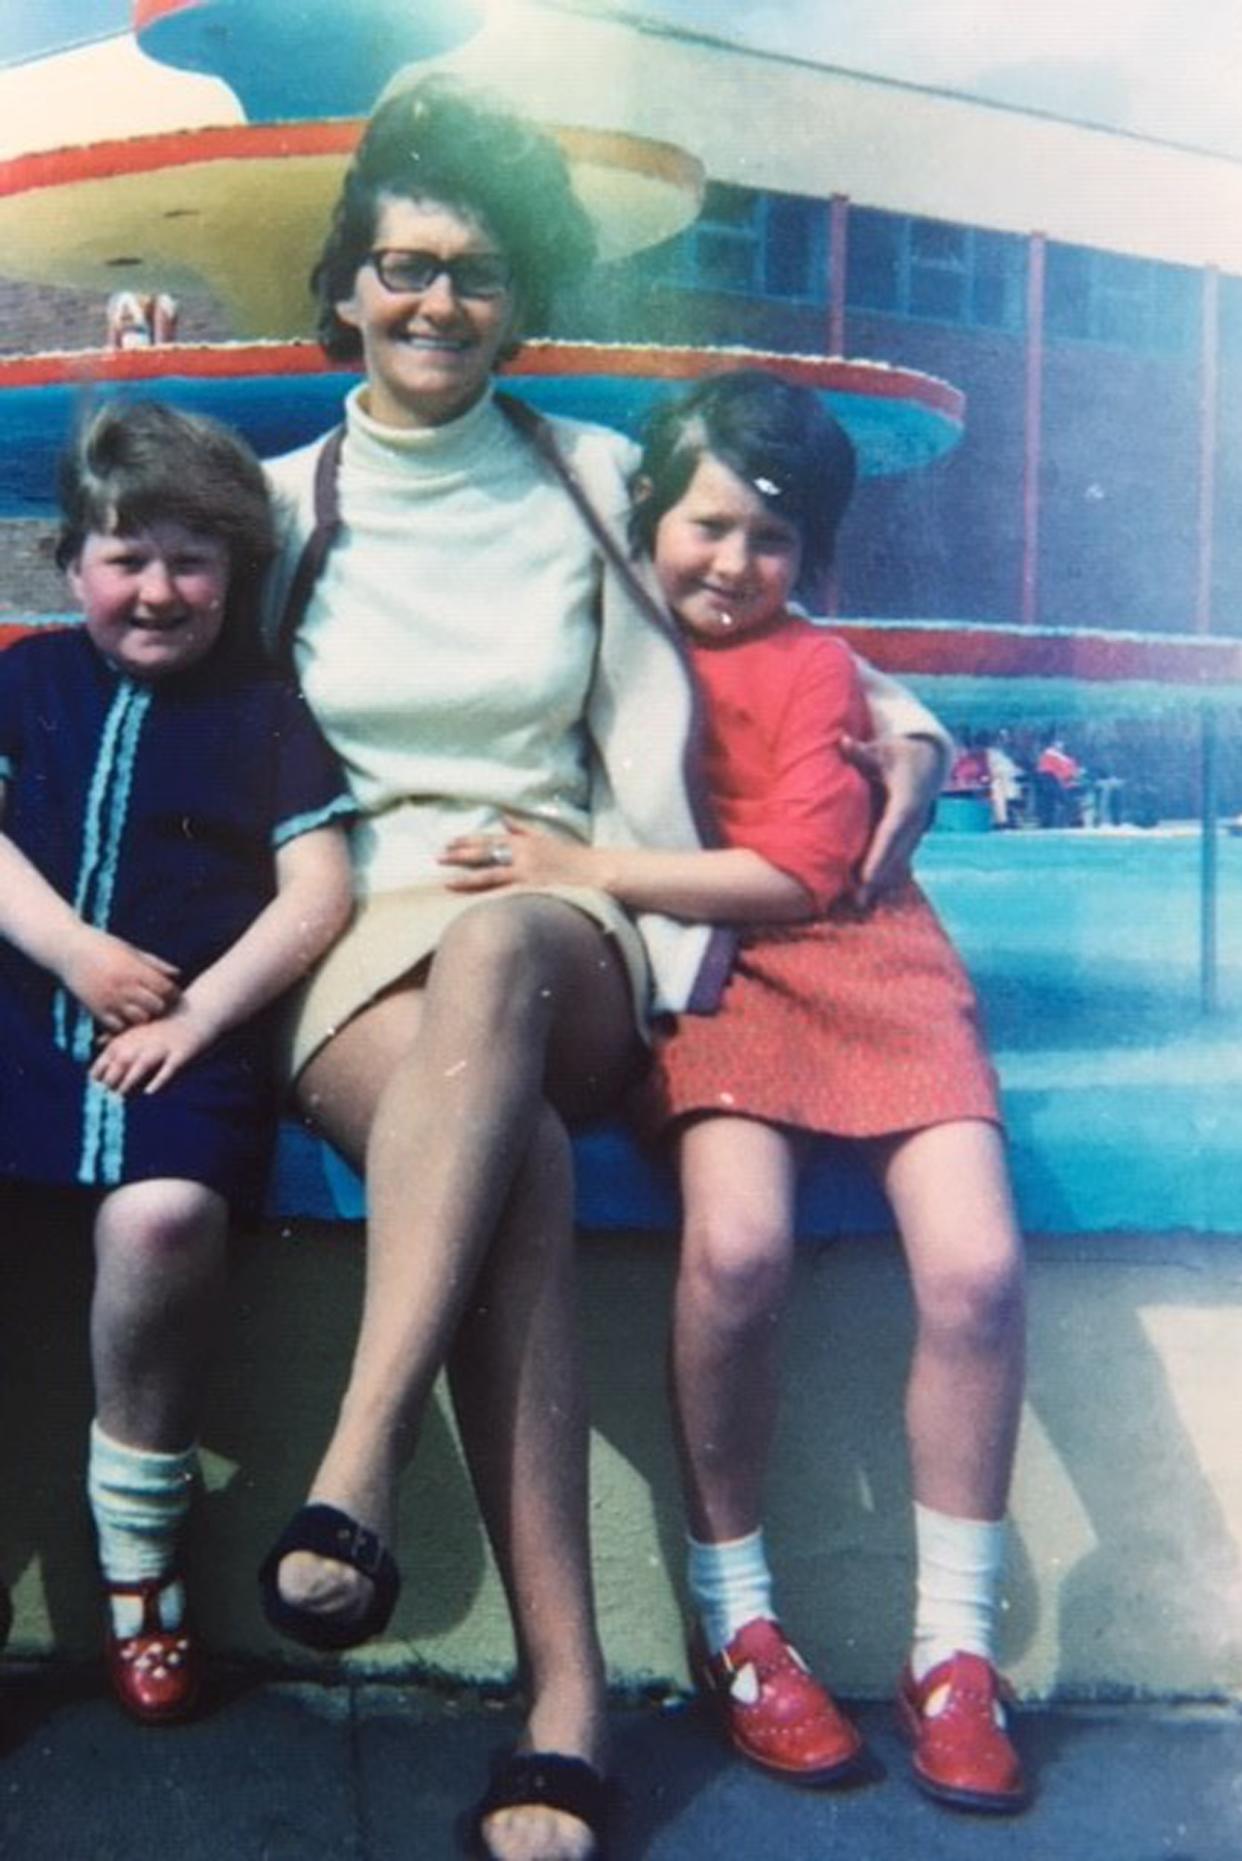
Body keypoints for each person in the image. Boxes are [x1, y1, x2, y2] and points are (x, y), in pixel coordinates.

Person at [253, 76, 952, 1861]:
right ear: (346, 282)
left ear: (518, 300)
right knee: (521, 1164)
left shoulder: (583, 477)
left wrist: (915, 722)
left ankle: (360, 1446)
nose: (437, 305)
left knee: (497, 950)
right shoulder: (279, 507)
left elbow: (773, 631)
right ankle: (562, 1703)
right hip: (352, 948)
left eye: (477, 276)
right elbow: (138, 678)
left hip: (557, 927)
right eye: (404, 267)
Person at [443, 371, 1028, 1816]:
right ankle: (737, 1613)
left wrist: (576, 872)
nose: (732, 564)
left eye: (773, 541)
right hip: (710, 977)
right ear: (647, 515)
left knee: (976, 1267)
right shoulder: (595, 634)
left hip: (865, 961)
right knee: (736, 1248)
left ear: (811, 557)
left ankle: (953, 1645)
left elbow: (806, 875)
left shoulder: (818, 670)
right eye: (706, 526)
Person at [0, 402, 355, 1722]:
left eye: (193, 558)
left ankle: (141, 1569)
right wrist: (77, 951)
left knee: (162, 1220)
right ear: (72, 562)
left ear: (236, 573)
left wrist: (196, 1018)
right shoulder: (27, 679)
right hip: (22, 1011)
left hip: (188, 1042)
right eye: (124, 554)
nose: (156, 589)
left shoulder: (266, 711)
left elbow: (314, 893)